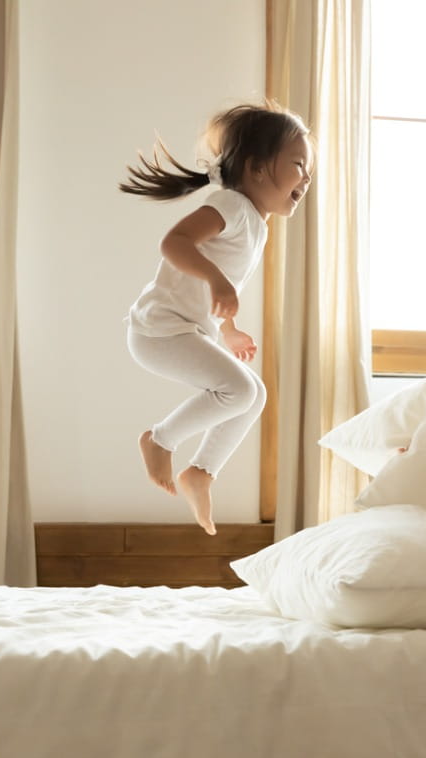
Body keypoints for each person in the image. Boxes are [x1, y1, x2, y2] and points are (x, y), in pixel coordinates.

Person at [120, 103, 312, 535]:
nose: (307, 178)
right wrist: (217, 280)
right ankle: (160, 440)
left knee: (253, 394)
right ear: (258, 168)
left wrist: (228, 328)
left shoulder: (254, 223)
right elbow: (174, 242)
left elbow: (216, 288)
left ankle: (202, 473)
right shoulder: (231, 204)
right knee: (240, 390)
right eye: (298, 164)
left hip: (181, 330)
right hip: (158, 331)